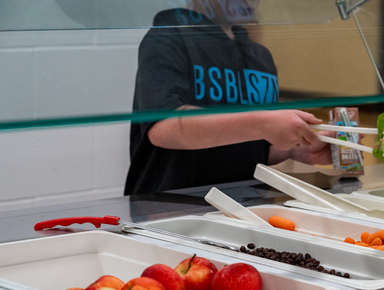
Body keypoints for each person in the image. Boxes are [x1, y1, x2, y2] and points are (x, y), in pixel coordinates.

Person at [124, 0, 332, 195]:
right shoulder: (168, 37)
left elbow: (251, 148)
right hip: (169, 207)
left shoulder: (260, 57)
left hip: (242, 205)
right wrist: (262, 123)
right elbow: (163, 127)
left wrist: (297, 152)